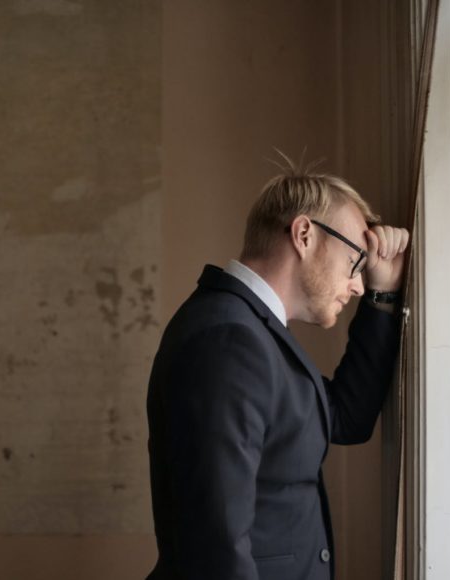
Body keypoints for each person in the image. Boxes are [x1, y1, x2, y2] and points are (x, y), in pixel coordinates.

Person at [145, 166, 409, 580]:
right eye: (354, 260)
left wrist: (382, 295)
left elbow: (344, 418)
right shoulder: (229, 338)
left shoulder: (250, 330)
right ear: (303, 235)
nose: (358, 284)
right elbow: (216, 542)